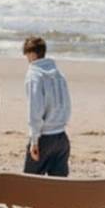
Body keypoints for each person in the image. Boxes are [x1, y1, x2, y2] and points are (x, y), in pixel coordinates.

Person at [22, 35, 71, 177]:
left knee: (28, 188)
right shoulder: (59, 74)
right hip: (61, 137)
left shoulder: (34, 74)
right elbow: (67, 105)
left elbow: (35, 110)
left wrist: (34, 140)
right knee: (58, 191)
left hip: (44, 138)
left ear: (31, 54)